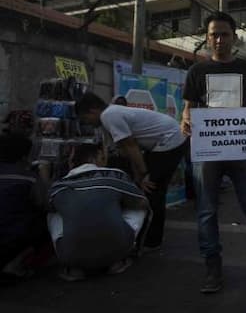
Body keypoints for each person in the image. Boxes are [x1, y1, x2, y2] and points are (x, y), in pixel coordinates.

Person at [180, 11, 246, 293]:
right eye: (214, 34)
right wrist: (186, 121)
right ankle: (212, 268)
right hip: (207, 152)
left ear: (234, 37)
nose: (219, 39)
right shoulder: (197, 71)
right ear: (207, 38)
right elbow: (188, 108)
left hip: (243, 150)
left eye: (224, 34)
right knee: (206, 211)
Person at [75, 92, 187, 251]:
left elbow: (131, 147)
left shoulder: (109, 116)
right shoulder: (110, 116)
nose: (86, 123)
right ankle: (148, 237)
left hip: (170, 140)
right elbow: (128, 151)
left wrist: (143, 175)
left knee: (152, 191)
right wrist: (139, 177)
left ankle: (152, 241)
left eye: (85, 119)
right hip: (165, 141)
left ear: (93, 111)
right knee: (146, 188)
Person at [47, 143, 150, 281]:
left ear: (72, 163)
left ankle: (75, 268)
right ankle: (118, 261)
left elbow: (45, 206)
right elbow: (142, 202)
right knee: (139, 207)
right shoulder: (115, 175)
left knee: (53, 213)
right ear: (97, 158)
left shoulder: (58, 186)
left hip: (70, 257)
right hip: (118, 251)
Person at [0, 133, 49, 283]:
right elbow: (46, 204)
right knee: (48, 220)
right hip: (12, 240)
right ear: (24, 157)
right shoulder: (29, 177)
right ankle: (15, 264)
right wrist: (44, 176)